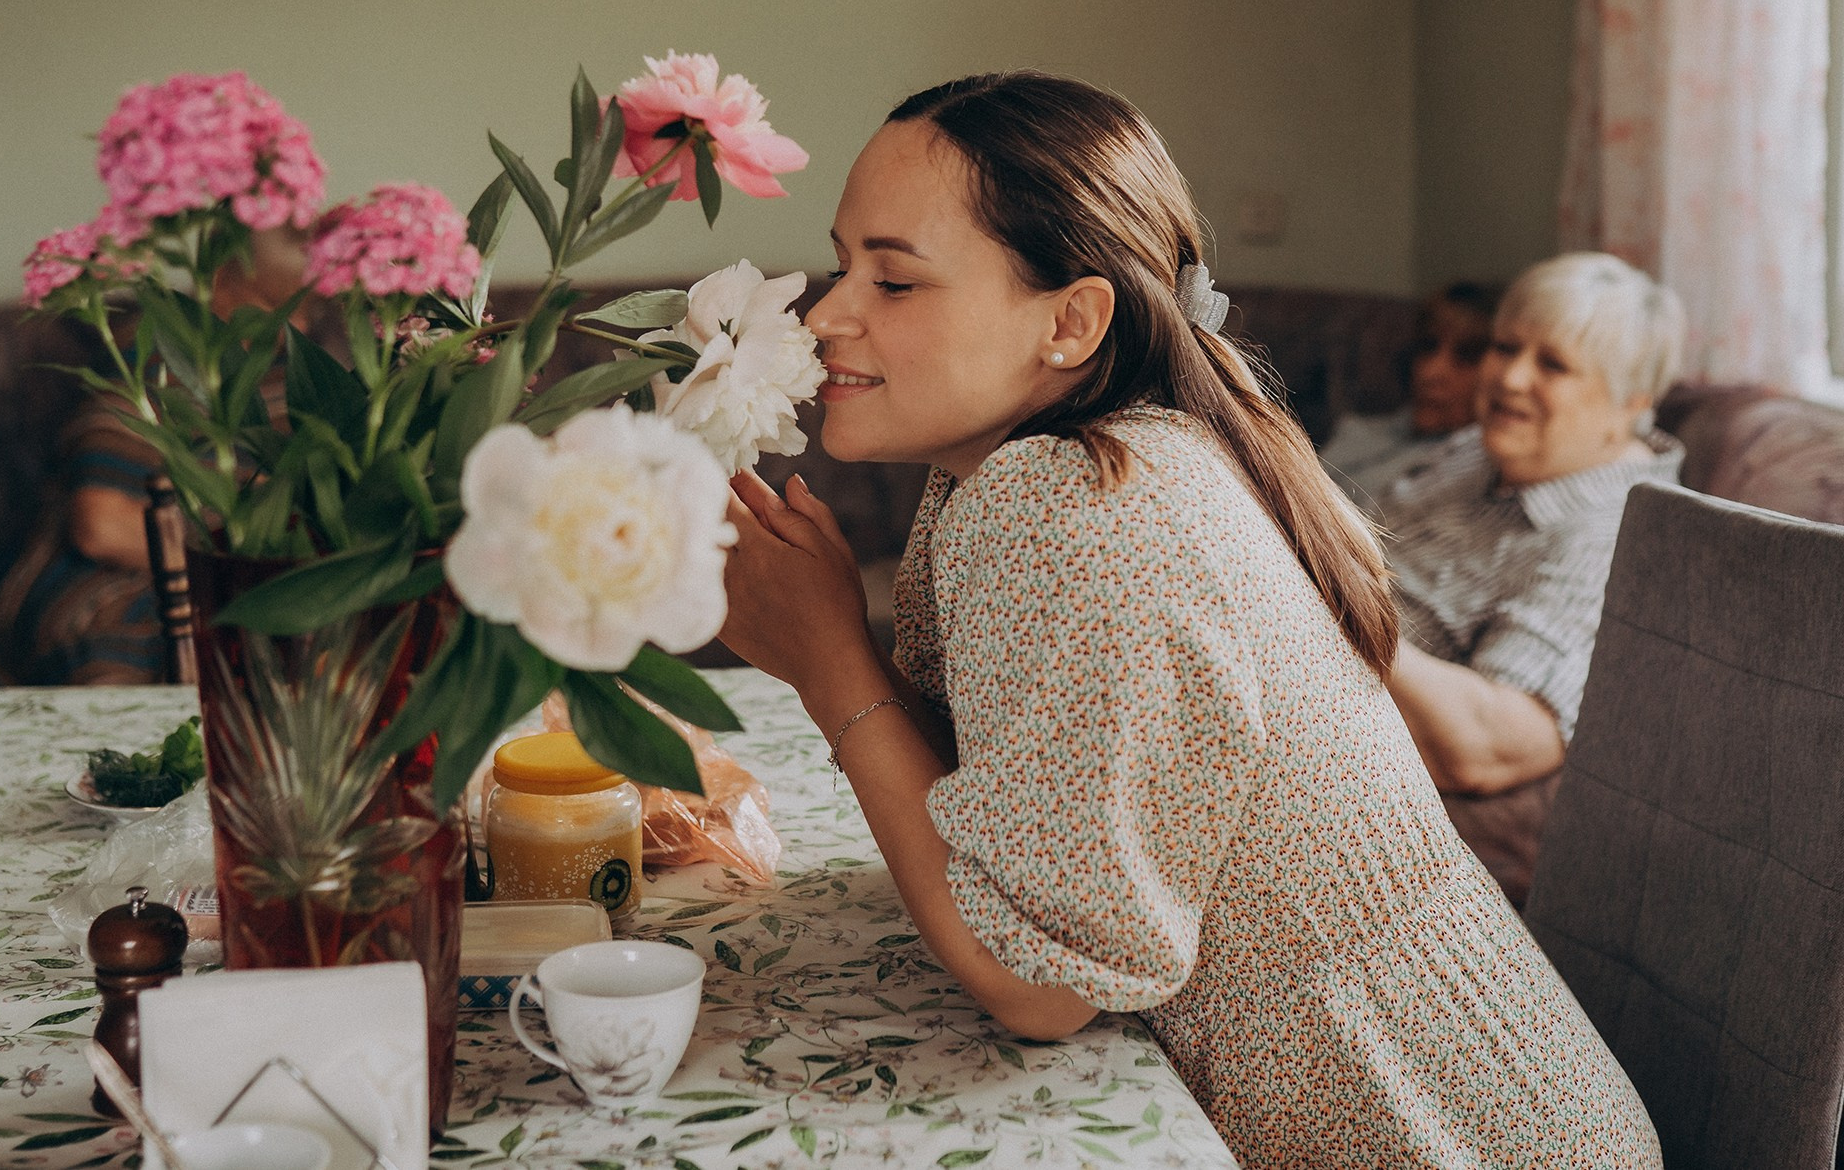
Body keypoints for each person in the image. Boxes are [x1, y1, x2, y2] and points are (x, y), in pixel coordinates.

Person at [716, 73, 1658, 1169]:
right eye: (842, 264)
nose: (828, 312)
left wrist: (832, 661)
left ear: (1070, 320)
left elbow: (1040, 983)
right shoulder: (1025, 475)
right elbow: (1006, 822)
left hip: (1436, 1131)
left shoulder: (1083, 508)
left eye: (894, 279)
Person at [1377, 252, 1685, 904]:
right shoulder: (1481, 449)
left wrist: (1335, 615)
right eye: (1506, 347)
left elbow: (1490, 744)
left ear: (1631, 402)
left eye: (1553, 365)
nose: (1510, 378)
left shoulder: (1618, 535)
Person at [0, 228, 321, 689]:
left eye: (307, 310)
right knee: (132, 675)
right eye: (274, 307)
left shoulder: (289, 378)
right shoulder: (160, 358)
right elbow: (100, 524)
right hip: (109, 583)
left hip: (234, 590)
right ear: (220, 285)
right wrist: (237, 566)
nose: (301, 328)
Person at [1320, 282, 1501, 510]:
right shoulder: (1358, 430)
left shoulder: (1473, 473)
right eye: (1428, 347)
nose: (1430, 372)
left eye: (1467, 356)